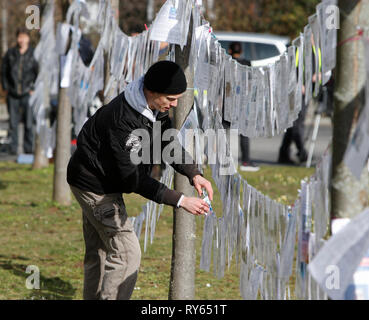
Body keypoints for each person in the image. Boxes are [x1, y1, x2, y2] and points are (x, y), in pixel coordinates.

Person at [67, 61, 214, 300]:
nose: (175, 104)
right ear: (152, 91)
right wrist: (180, 200)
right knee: (126, 253)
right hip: (94, 185)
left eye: (178, 98)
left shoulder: (157, 108)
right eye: (171, 98)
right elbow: (133, 179)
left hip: (101, 177)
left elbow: (167, 142)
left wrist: (193, 172)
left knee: (101, 252)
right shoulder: (123, 120)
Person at [1, 27, 38, 155]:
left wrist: (33, 89)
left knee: (29, 122)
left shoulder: (34, 54)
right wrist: (5, 87)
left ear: (28, 38)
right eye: (19, 37)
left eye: (24, 37)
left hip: (28, 93)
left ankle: (28, 150)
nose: (21, 40)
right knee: (13, 123)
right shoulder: (10, 53)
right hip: (12, 94)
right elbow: (4, 71)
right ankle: (13, 149)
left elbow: (38, 74)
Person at [228, 42, 260, 172]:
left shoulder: (227, 63)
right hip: (242, 101)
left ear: (230, 50)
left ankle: (217, 157)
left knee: (222, 130)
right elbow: (251, 83)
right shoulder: (246, 63)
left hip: (228, 100)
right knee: (244, 133)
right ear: (241, 51)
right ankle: (246, 160)